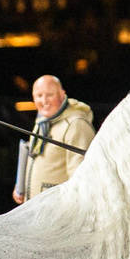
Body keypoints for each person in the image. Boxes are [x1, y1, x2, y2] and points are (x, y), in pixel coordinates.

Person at [13, 75, 96, 203]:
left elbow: (81, 179)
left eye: (50, 95)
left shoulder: (75, 124)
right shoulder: (42, 122)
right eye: (39, 96)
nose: (44, 101)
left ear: (62, 94)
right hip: (37, 207)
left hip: (57, 208)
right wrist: (22, 186)